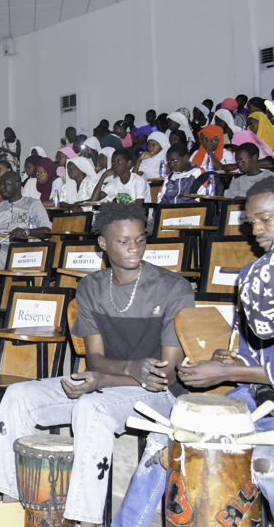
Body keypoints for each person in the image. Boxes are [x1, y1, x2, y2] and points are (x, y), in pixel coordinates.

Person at [0, 203, 194, 527]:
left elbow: (163, 375)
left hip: (159, 397)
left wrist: (106, 379)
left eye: (140, 239)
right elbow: (94, 359)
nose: (134, 248)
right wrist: (122, 370)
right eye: (123, 241)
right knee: (19, 395)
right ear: (103, 243)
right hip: (110, 381)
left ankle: (84, 520)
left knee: (91, 409)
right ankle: (12, 509)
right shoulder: (92, 287)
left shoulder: (173, 288)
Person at [114, 181, 274, 525]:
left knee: (266, 463)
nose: (255, 230)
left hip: (260, 397)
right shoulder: (255, 274)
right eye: (251, 221)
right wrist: (229, 361)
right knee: (165, 438)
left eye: (266, 219)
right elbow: (255, 351)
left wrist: (228, 374)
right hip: (256, 395)